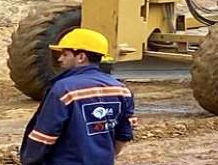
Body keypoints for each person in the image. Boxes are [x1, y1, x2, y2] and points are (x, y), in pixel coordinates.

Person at [20, 28, 135, 165]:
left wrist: (29, 159)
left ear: (81, 57)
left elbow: (44, 136)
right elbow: (124, 133)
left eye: (65, 54)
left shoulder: (64, 89)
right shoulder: (121, 90)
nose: (60, 59)